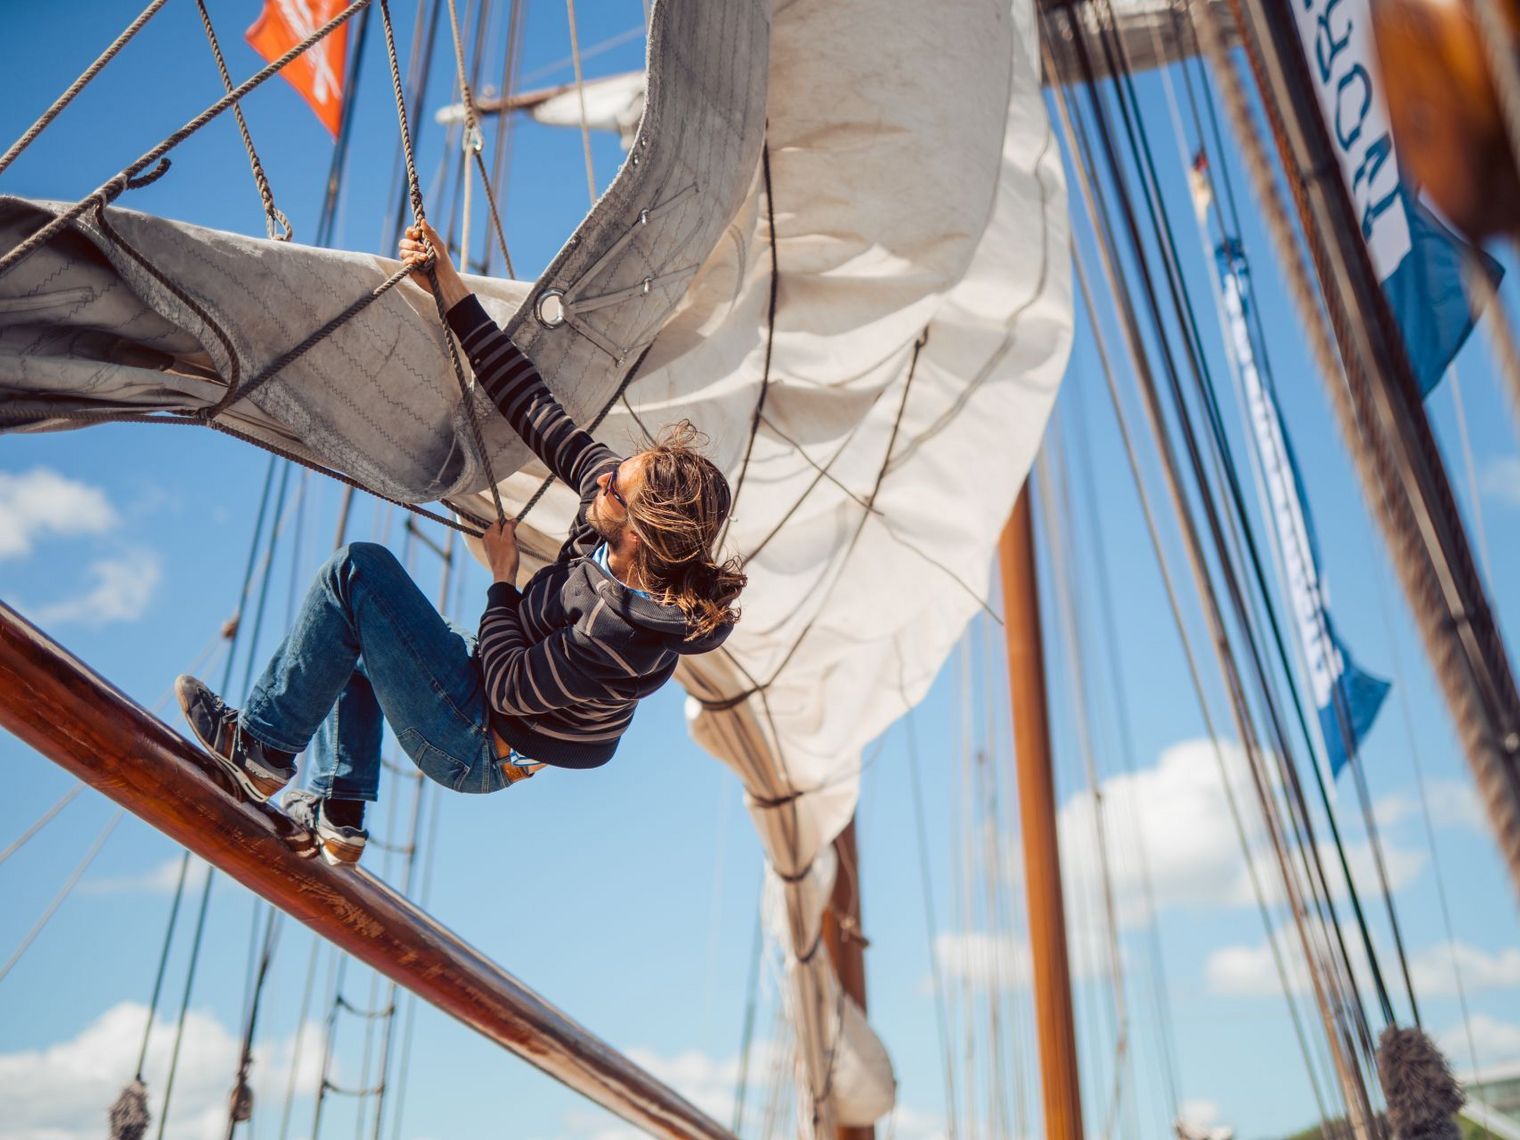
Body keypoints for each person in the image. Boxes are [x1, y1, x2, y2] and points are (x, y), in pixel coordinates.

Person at [176, 221, 745, 866]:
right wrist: (445, 283)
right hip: (486, 704)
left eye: (616, 485)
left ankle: (260, 749)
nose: (603, 476)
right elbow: (529, 402)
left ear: (640, 532)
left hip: (477, 741)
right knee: (366, 636)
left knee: (357, 577)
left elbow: (504, 687)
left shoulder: (614, 636)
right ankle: (340, 812)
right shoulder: (609, 512)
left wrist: (503, 582)